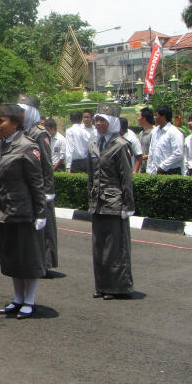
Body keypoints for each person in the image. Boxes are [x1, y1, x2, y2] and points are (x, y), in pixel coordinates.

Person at [0, 104, 46, 319]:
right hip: (3, 210)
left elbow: (36, 182)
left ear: (15, 123)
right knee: (11, 256)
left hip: (23, 210)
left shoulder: (27, 146)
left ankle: (29, 300)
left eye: (1, 121)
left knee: (27, 257)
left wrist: (41, 213)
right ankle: (17, 298)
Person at [87, 102, 135, 300]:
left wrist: (128, 205)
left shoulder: (121, 145)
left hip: (115, 202)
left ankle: (118, 287)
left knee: (115, 248)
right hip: (97, 202)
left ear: (112, 123)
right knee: (98, 246)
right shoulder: (93, 144)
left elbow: (127, 178)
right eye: (97, 120)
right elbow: (90, 176)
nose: (98, 123)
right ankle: (102, 285)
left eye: (102, 121)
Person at [18, 95, 58, 274]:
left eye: (22, 111)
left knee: (45, 226)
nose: (19, 115)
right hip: (27, 187)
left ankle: (46, 262)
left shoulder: (40, 133)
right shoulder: (23, 132)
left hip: (40, 187)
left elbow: (47, 165)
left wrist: (48, 190)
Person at [147, 104, 184, 174]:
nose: (154, 117)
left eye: (156, 115)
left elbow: (178, 153)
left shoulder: (174, 132)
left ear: (163, 116)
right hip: (155, 171)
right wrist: (149, 169)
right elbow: (151, 151)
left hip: (171, 171)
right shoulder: (155, 131)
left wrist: (162, 167)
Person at [137, 107, 155, 173]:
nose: (137, 118)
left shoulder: (154, 132)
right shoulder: (141, 133)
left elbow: (157, 151)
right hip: (142, 168)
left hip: (151, 168)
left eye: (138, 116)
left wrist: (144, 157)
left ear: (144, 118)